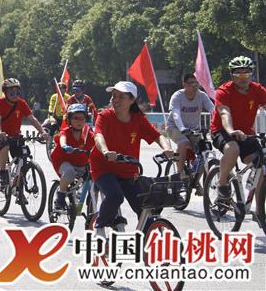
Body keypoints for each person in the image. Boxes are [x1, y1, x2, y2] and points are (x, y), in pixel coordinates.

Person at [91, 81, 173, 238]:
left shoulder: (138, 119)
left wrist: (167, 148)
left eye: (121, 97)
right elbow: (98, 135)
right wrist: (106, 151)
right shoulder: (105, 116)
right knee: (115, 196)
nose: (115, 100)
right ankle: (99, 227)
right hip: (103, 168)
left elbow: (157, 135)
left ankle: (148, 243)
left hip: (128, 171)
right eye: (114, 96)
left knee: (145, 209)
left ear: (132, 100)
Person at [210, 56, 266, 203]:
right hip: (222, 130)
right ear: (232, 76)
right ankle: (222, 183)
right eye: (239, 75)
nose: (244, 78)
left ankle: (259, 211)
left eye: (247, 74)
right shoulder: (223, 91)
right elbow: (224, 113)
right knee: (233, 149)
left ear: (252, 75)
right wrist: (231, 131)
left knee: (260, 167)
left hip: (246, 133)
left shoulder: (258, 90)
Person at [0, 78, 47, 185]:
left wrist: (43, 132)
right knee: (5, 145)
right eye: (12, 92)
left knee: (23, 157)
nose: (15, 94)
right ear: (5, 92)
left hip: (15, 136)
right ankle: (2, 173)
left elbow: (32, 119)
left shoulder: (22, 103)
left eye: (17, 92)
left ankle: (18, 187)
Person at [166, 73, 216, 177]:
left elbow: (212, 109)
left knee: (204, 150)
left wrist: (216, 124)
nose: (195, 86)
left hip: (193, 129)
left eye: (197, 84)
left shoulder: (202, 96)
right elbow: (176, 114)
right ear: (184, 85)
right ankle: (180, 173)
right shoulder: (177, 96)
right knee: (183, 141)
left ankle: (196, 181)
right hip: (175, 127)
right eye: (192, 84)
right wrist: (182, 128)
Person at [51, 104, 95, 210]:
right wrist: (64, 146)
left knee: (95, 177)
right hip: (63, 160)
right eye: (76, 118)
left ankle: (93, 208)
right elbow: (62, 138)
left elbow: (97, 141)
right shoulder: (65, 131)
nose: (79, 121)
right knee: (70, 172)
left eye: (82, 118)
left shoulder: (88, 133)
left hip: (82, 162)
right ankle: (61, 192)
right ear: (69, 120)